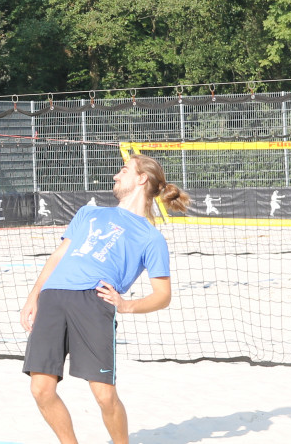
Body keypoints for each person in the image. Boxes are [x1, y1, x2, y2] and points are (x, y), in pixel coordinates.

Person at [20, 153, 190, 444]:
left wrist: (126, 306)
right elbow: (58, 256)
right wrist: (34, 295)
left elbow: (163, 296)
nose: (115, 175)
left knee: (104, 395)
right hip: (53, 297)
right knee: (40, 390)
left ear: (141, 178)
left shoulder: (151, 238)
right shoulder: (89, 213)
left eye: (123, 170)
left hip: (93, 301)